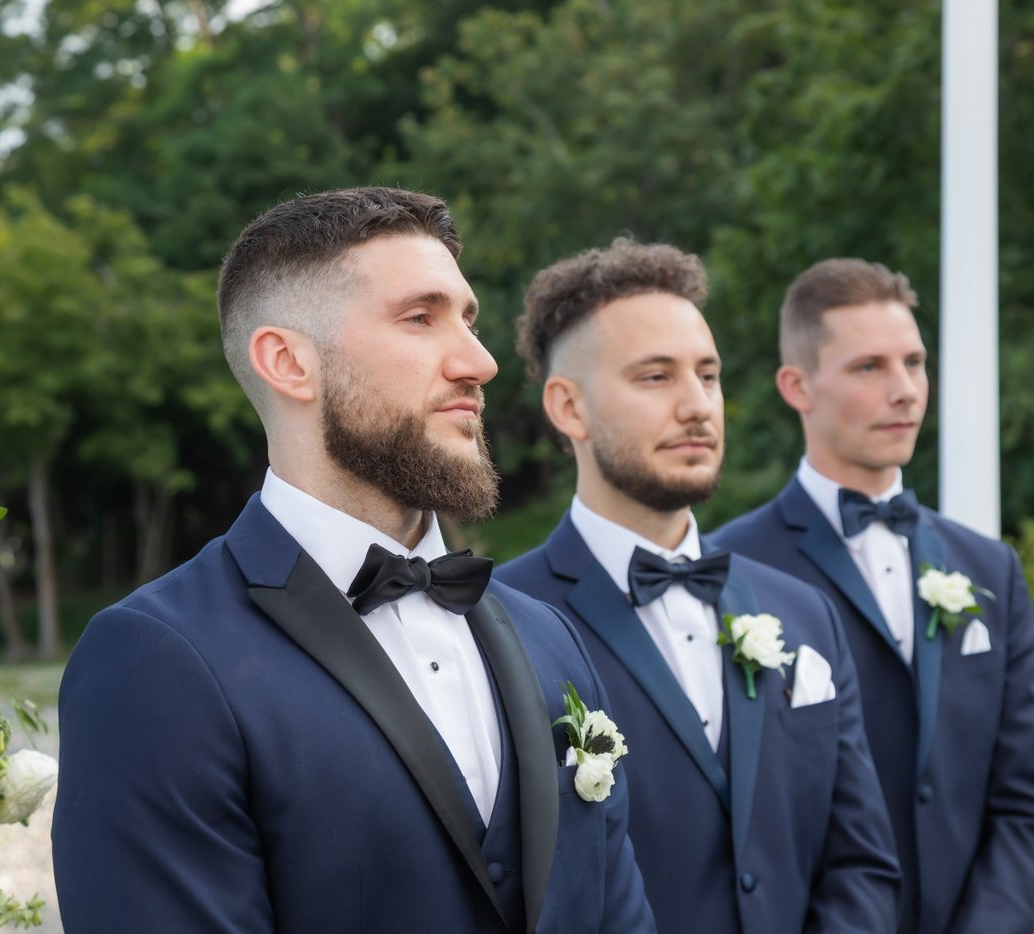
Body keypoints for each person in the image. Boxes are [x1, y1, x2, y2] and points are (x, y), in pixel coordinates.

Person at [51, 188, 654, 934]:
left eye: (469, 321)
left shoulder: (551, 640)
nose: (480, 362)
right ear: (288, 363)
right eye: (419, 319)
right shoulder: (154, 661)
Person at [496, 238, 903, 934]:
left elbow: (861, 864)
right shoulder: (503, 624)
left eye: (708, 375)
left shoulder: (805, 614)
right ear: (569, 407)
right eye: (655, 378)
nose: (697, 407)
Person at [710, 258, 1034, 933]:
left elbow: (1026, 803)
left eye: (915, 363)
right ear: (797, 385)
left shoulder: (990, 569)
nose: (905, 391)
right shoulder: (730, 568)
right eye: (869, 367)